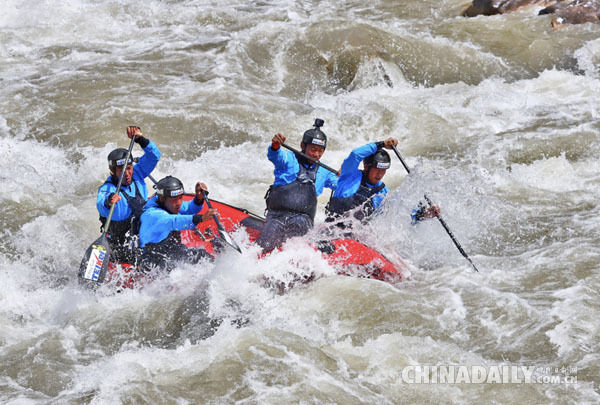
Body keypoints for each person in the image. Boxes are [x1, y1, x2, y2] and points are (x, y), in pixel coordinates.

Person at [257, 118, 338, 252]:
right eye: (313, 149)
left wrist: (346, 175)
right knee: (266, 242)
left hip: (303, 220)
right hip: (277, 216)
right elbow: (275, 156)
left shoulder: (325, 172)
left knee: (298, 226)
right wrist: (275, 145)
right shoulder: (289, 159)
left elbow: (343, 187)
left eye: (320, 151)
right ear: (302, 146)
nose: (316, 154)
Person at [326, 138, 440, 228]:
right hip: (331, 231)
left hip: (355, 238)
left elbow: (398, 216)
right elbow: (355, 154)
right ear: (366, 166)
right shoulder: (349, 176)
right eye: (377, 169)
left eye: (383, 170)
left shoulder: (382, 192)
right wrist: (381, 144)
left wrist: (424, 214)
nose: (380, 174)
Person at [96, 126, 161, 263]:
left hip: (143, 232)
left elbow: (154, 156)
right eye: (121, 170)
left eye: (129, 168)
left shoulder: (137, 172)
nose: (127, 174)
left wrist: (141, 140)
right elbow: (101, 204)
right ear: (112, 170)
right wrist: (109, 201)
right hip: (123, 245)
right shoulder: (108, 189)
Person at [139, 176, 219, 271]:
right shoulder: (153, 215)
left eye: (180, 198)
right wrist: (201, 218)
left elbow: (189, 208)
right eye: (174, 199)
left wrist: (199, 198)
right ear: (161, 198)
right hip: (152, 262)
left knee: (202, 256)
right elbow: (175, 221)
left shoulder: (169, 204)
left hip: (170, 251)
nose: (178, 203)